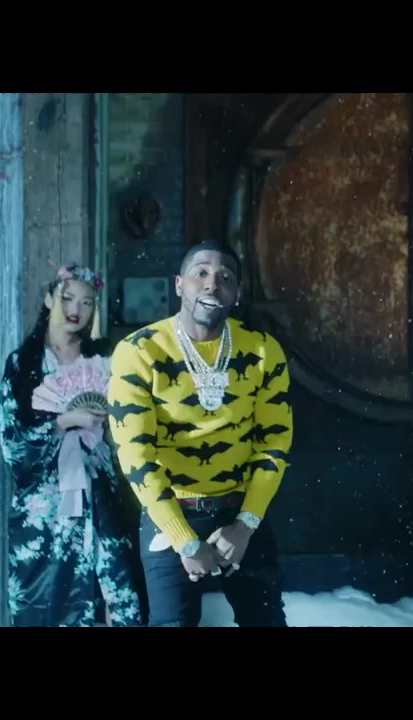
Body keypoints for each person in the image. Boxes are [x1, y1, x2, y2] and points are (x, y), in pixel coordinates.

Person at [107, 240, 293, 627]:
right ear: (179, 284)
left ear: (236, 293)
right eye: (201, 273)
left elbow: (274, 443)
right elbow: (136, 456)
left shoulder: (262, 351)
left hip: (241, 511)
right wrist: (185, 540)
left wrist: (245, 525)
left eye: (226, 277)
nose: (212, 284)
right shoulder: (139, 352)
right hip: (169, 512)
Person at [0, 262, 144, 627]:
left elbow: (134, 425)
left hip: (104, 497)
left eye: (87, 302)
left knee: (120, 599)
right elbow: (13, 444)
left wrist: (108, 428)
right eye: (67, 298)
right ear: (49, 299)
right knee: (48, 603)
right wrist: (63, 422)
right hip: (47, 510)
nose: (76, 309)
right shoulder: (23, 365)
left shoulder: (106, 359)